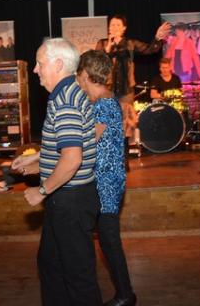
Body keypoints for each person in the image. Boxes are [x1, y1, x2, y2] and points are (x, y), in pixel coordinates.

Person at [13, 37, 101, 305]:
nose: (35, 69)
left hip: (70, 201)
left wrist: (41, 191)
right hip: (67, 198)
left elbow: (72, 159)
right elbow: (69, 145)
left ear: (58, 64)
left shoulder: (65, 101)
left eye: (40, 63)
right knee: (51, 264)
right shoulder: (70, 92)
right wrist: (37, 160)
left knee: (78, 277)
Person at [77, 50, 136, 306]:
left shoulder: (103, 104)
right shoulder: (104, 100)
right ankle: (125, 293)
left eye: (78, 73)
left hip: (106, 184)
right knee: (106, 240)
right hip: (105, 182)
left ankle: (126, 295)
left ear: (85, 74)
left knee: (109, 241)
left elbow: (88, 140)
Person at [95, 14, 171, 99]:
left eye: (118, 25)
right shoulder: (102, 43)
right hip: (107, 90)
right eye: (112, 25)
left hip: (126, 91)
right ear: (109, 27)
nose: (115, 27)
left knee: (127, 107)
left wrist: (157, 38)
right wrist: (108, 48)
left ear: (124, 28)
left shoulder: (130, 44)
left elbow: (150, 50)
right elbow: (96, 64)